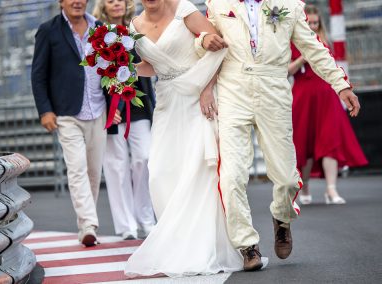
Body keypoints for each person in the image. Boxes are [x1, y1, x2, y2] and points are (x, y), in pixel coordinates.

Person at [195, 0, 361, 269]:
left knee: (286, 177)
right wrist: (203, 42)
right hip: (232, 92)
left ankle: (282, 217)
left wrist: (341, 85)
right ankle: (247, 245)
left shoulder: (289, 5)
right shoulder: (217, 4)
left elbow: (314, 48)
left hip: (274, 91)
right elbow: (203, 45)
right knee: (231, 176)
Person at [124, 0, 261, 277]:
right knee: (161, 173)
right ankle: (178, 245)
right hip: (167, 102)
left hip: (199, 97)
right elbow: (153, 65)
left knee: (200, 171)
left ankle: (209, 246)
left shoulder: (184, 9)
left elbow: (219, 48)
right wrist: (125, 68)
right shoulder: (134, 25)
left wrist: (207, 89)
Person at [31, 0, 106, 246]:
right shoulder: (48, 30)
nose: (77, 1)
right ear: (61, 2)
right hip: (67, 113)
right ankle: (88, 225)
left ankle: (86, 221)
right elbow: (38, 74)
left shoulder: (100, 28)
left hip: (98, 110)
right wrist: (45, 110)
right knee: (77, 169)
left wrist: (115, 103)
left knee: (94, 171)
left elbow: (113, 68)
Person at [289, 4, 368, 205]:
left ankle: (331, 189)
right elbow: (286, 71)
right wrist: (302, 59)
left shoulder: (325, 42)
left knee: (329, 142)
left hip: (326, 96)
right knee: (303, 145)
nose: (313, 26)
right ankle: (304, 187)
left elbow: (333, 67)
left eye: (316, 23)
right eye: (310, 23)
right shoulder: (292, 42)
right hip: (303, 97)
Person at [92, 0, 156, 240]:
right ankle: (126, 226)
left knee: (144, 159)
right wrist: (109, 108)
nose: (116, 3)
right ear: (104, 6)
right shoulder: (98, 35)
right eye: (110, 0)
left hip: (138, 106)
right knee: (116, 166)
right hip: (110, 111)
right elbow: (94, 75)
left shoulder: (136, 28)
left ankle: (146, 218)